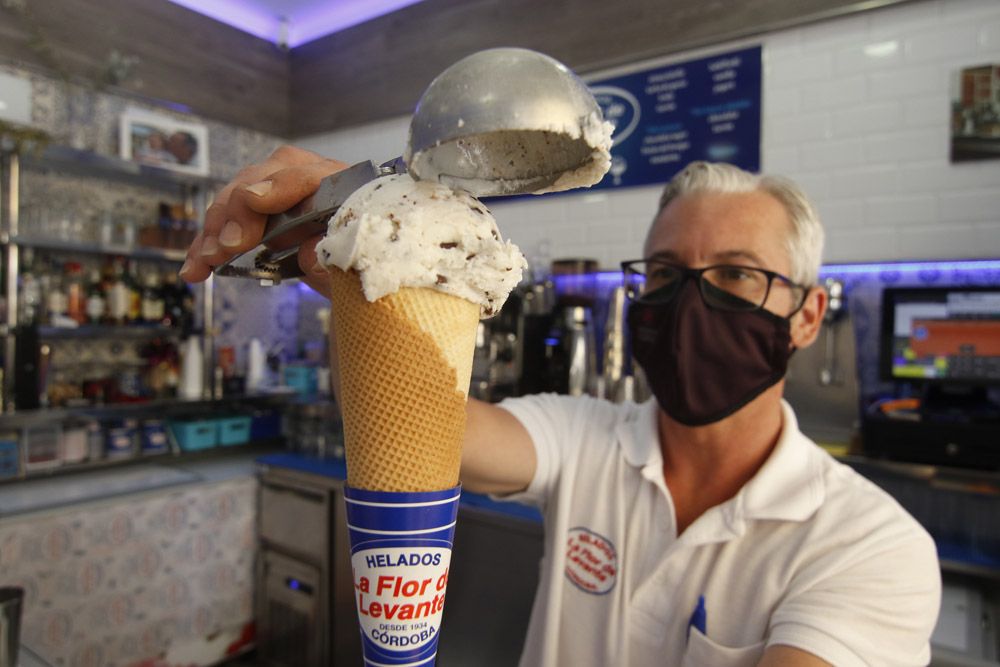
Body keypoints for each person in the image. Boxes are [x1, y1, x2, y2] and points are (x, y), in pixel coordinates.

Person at [181, 147, 941, 666]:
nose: (690, 302)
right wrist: (375, 242)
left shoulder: (874, 547)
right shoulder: (589, 436)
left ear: (807, 315)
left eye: (737, 275)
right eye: (667, 273)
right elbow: (431, 428)